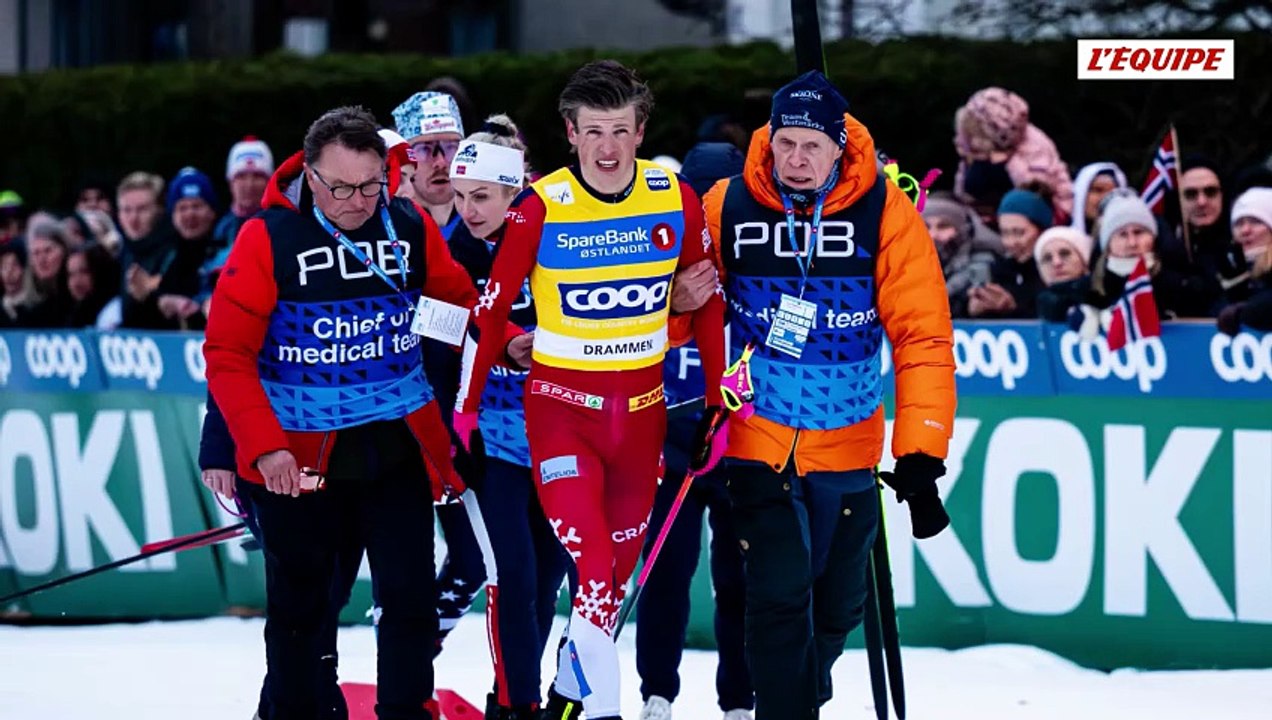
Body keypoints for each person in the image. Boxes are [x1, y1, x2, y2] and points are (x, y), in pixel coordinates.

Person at [454, 60, 729, 720]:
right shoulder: (539, 205)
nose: (607, 148)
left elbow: (709, 299)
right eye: (593, 132)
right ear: (571, 136)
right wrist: (464, 414)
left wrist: (717, 403)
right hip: (561, 418)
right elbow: (490, 313)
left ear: (640, 133)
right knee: (595, 564)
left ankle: (569, 702)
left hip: (641, 422)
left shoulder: (673, 197)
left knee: (608, 585)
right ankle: (598, 711)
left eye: (620, 131)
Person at [205, 105, 493, 720]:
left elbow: (460, 303)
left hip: (395, 447)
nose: (358, 202)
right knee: (302, 608)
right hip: (298, 457)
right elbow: (227, 353)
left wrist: (508, 339)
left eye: (370, 185)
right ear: (308, 176)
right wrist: (260, 447)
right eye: (340, 188)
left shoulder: (407, 224)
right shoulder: (268, 236)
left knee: (411, 601)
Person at [696, 70, 955, 719]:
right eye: (786, 143)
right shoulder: (726, 205)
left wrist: (919, 451)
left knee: (839, 607)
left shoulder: (884, 210)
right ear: (768, 141)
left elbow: (921, 333)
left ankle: (798, 695)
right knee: (778, 597)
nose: (798, 159)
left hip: (849, 440)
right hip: (757, 436)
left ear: (841, 147)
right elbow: (685, 315)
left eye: (813, 146)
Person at [433, 114, 570, 720]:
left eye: (481, 197)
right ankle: (518, 702)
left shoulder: (555, 229)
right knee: (510, 572)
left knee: (546, 577)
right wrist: (504, 338)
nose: (467, 209)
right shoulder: (454, 246)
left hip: (563, 431)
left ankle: (513, 696)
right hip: (491, 440)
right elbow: (435, 322)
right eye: (459, 196)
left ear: (516, 191)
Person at [636, 130, 753, 720]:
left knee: (740, 578)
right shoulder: (656, 253)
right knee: (664, 574)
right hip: (670, 442)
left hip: (737, 441)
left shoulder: (757, 256)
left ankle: (738, 698)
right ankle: (658, 692)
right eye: (696, 196)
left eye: (718, 198)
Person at [393, 90, 465, 237]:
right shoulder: (392, 230)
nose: (440, 162)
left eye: (451, 147)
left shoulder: (486, 227)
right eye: (424, 149)